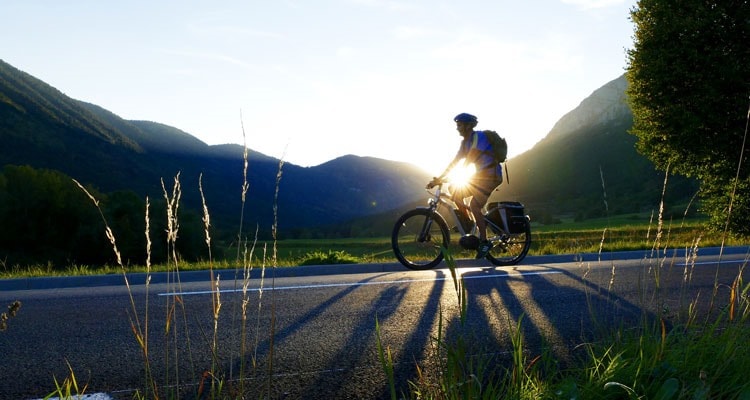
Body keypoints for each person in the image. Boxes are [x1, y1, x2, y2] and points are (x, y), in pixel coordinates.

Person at [428, 113, 503, 259]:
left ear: (468, 126)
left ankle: (484, 241)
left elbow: (470, 159)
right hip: (481, 176)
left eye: (460, 125)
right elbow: (454, 162)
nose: (457, 128)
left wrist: (451, 177)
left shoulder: (478, 137)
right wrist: (439, 178)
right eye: (457, 125)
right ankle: (468, 223)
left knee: (474, 205)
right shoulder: (464, 143)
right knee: (454, 192)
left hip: (491, 176)